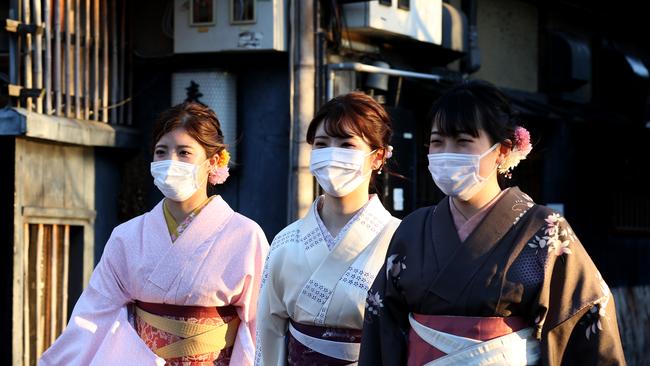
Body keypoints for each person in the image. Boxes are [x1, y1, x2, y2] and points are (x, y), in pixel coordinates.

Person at [358, 80, 626, 365]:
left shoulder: (544, 229)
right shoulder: (412, 229)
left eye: (463, 141)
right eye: (438, 142)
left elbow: (580, 317)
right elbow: (382, 326)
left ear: (502, 150)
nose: (447, 152)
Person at [40, 102, 269, 365]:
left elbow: (260, 327)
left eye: (184, 152)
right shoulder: (126, 236)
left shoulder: (245, 235)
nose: (170, 162)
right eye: (161, 152)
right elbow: (93, 315)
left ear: (213, 161)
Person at [255, 91, 401, 365]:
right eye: (321, 144)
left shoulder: (399, 238)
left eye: (347, 144)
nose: (332, 153)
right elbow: (268, 331)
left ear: (378, 157)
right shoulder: (287, 240)